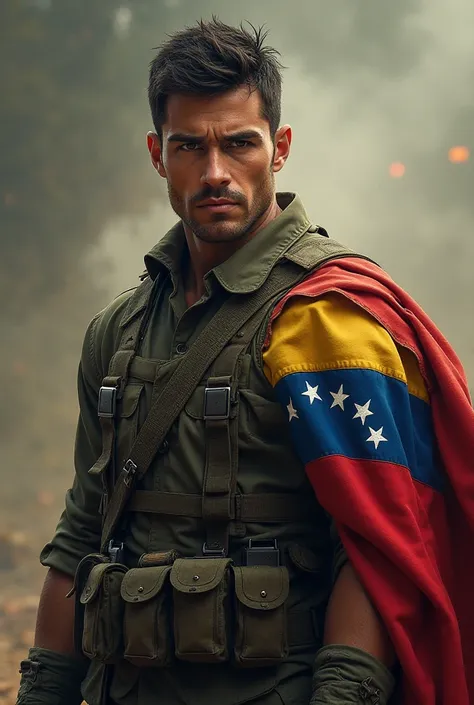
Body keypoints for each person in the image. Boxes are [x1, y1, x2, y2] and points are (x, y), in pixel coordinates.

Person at [16, 18, 474, 705]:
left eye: (239, 144)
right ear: (156, 153)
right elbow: (84, 528)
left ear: (280, 147)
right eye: (189, 147)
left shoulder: (326, 319)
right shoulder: (118, 331)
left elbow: (374, 550)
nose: (215, 173)